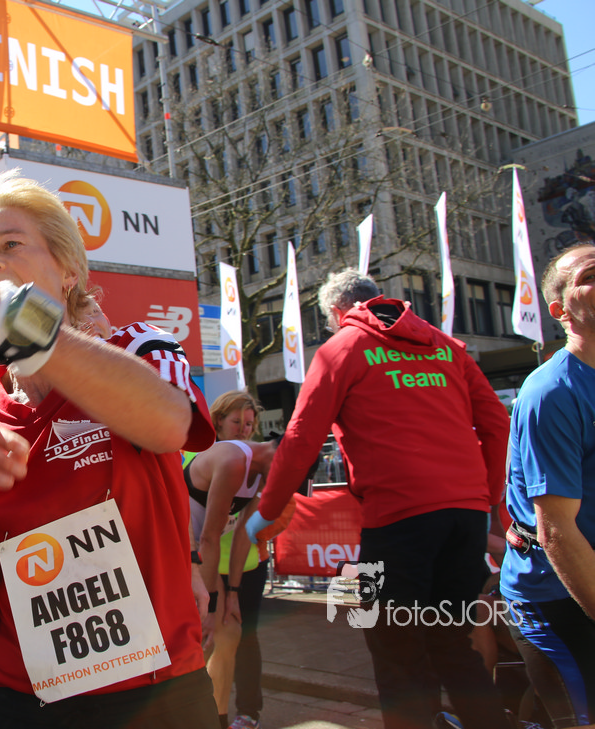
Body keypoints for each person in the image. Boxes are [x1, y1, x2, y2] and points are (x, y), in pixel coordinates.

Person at [0, 172, 220, 729]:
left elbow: (171, 426)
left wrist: (25, 325)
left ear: (68, 271)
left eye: (11, 244)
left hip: (158, 698)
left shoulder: (137, 348)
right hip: (25, 705)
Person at [242, 269, 512, 729]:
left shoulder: (342, 348)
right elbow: (497, 423)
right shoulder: (446, 347)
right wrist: (488, 500)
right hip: (464, 517)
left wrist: (265, 512)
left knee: (393, 649)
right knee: (452, 643)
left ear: (335, 313)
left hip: (397, 519)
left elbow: (302, 437)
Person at [501, 243, 595, 728]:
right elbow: (556, 531)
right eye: (590, 276)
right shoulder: (553, 392)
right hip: (558, 595)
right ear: (560, 311)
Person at [183, 390, 279, 729]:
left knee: (232, 634)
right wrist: (210, 605)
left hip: (216, 560)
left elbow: (242, 537)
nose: (243, 429)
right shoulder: (230, 460)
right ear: (219, 421)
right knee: (211, 635)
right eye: (236, 422)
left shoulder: (260, 468)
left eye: (249, 424)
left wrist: (233, 592)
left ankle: (224, 716)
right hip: (189, 552)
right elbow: (208, 538)